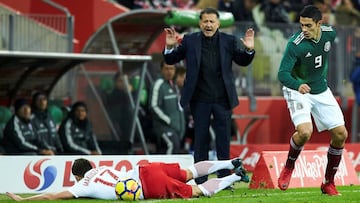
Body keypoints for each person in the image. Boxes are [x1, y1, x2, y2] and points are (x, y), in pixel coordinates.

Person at [163, 7, 255, 184]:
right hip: (200, 99)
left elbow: (242, 61)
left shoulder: (229, 41)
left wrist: (249, 50)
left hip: (223, 99)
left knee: (223, 141)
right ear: (199, 23)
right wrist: (169, 47)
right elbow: (171, 60)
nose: (208, 24)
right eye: (205, 21)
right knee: (201, 140)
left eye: (212, 21)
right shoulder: (190, 40)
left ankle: (224, 178)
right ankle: (200, 178)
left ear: (218, 23)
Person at [277, 5, 348, 196]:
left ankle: (328, 183)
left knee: (341, 134)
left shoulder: (329, 34)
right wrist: (297, 84)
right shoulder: (295, 44)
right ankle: (289, 167)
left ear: (319, 23)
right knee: (305, 132)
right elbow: (282, 74)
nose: (304, 30)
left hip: (320, 89)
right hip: (297, 89)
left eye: (308, 26)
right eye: (301, 25)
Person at [6, 157, 249, 201]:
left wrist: (24, 200)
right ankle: (231, 163)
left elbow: (53, 195)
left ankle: (235, 176)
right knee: (190, 172)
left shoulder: (82, 184)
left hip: (146, 186)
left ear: (77, 176)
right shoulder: (102, 168)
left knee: (197, 191)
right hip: (145, 169)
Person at [149, 61, 185, 154]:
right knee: (172, 145)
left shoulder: (174, 86)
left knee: (170, 150)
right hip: (163, 127)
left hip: (176, 128)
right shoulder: (159, 84)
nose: (169, 71)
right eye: (166, 68)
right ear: (161, 70)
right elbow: (153, 106)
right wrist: (169, 120)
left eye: (172, 69)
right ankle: (168, 168)